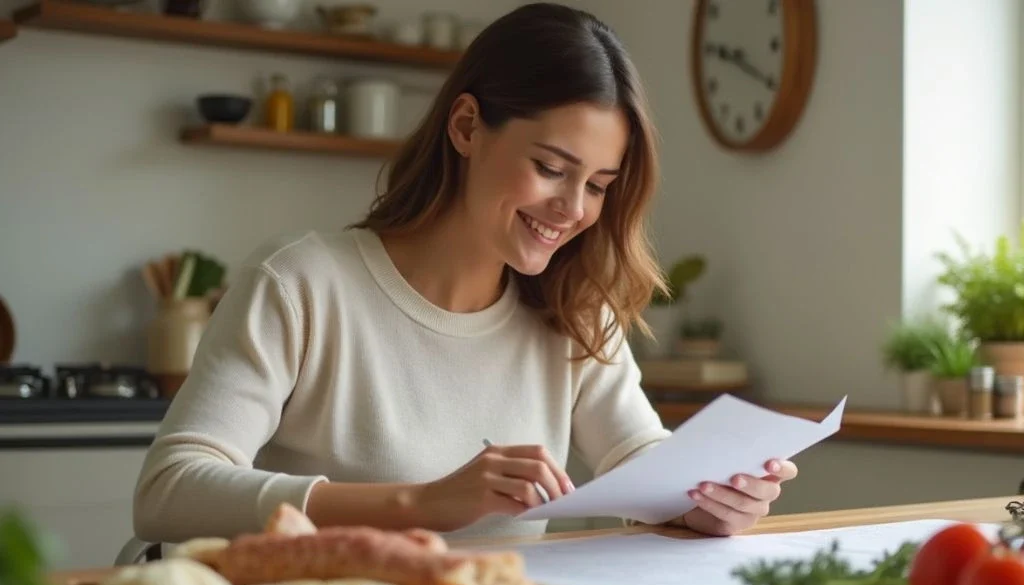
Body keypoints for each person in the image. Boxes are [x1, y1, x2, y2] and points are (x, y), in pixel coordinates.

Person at [131, 2, 797, 548]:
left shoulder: (571, 311)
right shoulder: (302, 284)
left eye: (598, 185)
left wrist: (707, 496)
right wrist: (420, 502)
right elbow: (169, 492)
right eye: (551, 168)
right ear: (468, 126)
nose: (572, 210)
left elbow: (638, 458)